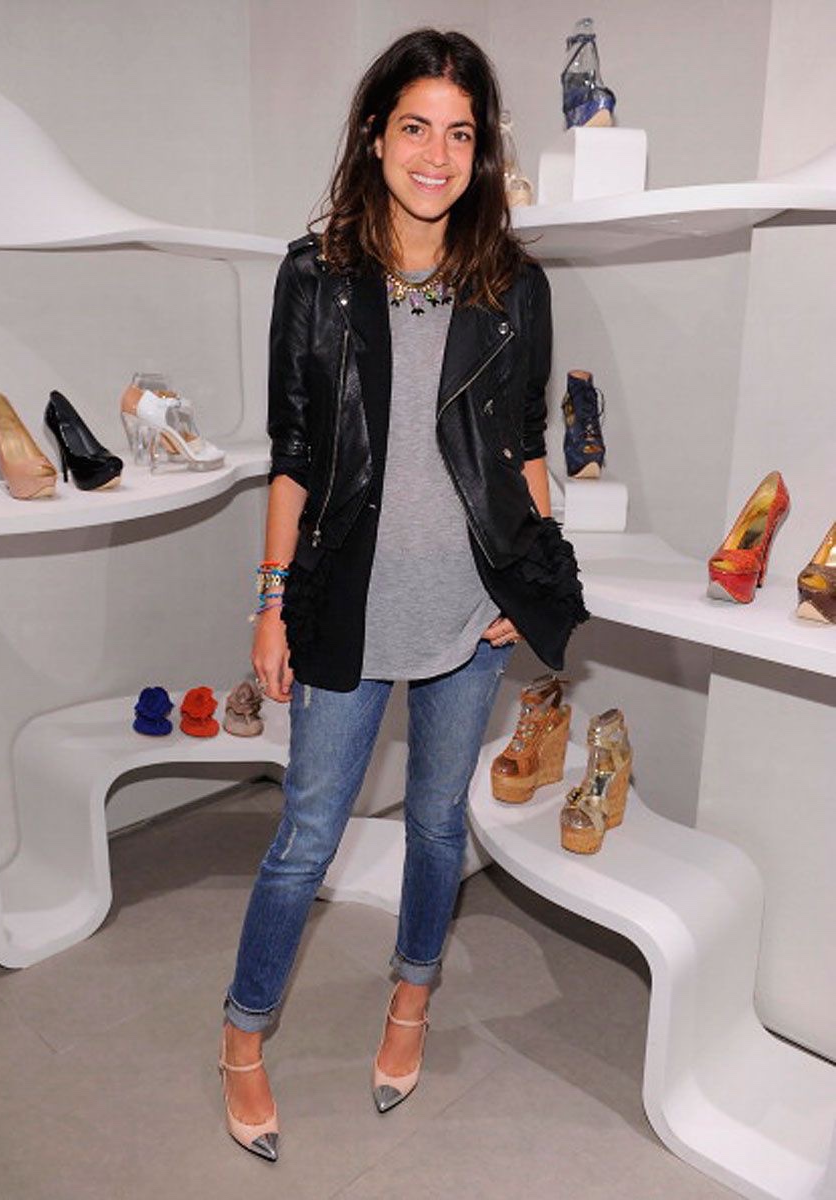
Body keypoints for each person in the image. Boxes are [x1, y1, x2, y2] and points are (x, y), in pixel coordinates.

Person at [219, 28, 586, 1161]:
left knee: (435, 823)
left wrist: (531, 579)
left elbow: (524, 448)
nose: (437, 155)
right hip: (344, 602)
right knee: (305, 835)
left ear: (482, 152)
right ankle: (242, 1035)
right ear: (375, 135)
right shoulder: (314, 276)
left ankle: (411, 1001)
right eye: (416, 127)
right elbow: (293, 455)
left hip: (468, 612)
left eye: (460, 134)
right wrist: (271, 599)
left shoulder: (512, 285)